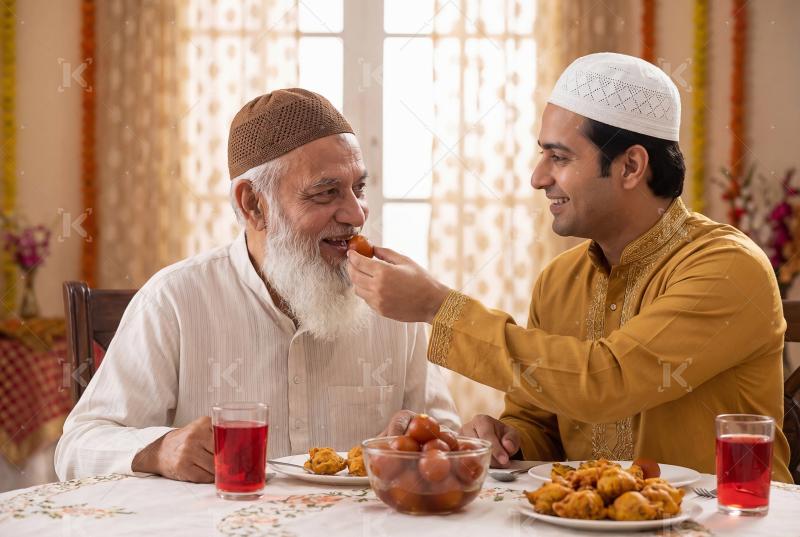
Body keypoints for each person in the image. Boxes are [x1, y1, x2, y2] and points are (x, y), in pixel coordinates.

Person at [347, 53, 792, 482]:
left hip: (722, 521)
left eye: (558, 158)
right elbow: (540, 422)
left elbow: (606, 380)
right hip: (583, 521)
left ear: (631, 166)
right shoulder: (560, 280)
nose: (537, 177)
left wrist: (438, 307)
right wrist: (511, 440)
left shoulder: (727, 267)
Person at [55, 88, 459, 483]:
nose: (356, 213)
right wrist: (161, 449)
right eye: (326, 192)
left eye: (360, 188)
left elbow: (446, 437)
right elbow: (77, 445)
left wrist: (421, 440)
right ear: (253, 204)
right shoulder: (174, 300)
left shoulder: (393, 300)